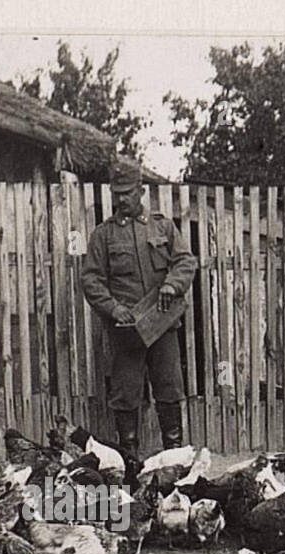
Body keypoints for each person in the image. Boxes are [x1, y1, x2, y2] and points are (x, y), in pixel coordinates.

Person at [81, 161, 198, 458]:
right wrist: (113, 308)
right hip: (127, 330)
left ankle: (174, 455)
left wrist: (172, 285)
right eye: (116, 193)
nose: (122, 199)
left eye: (128, 193)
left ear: (141, 191)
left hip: (162, 326)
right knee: (125, 394)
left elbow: (185, 261)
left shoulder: (163, 227)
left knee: (169, 389)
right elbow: (91, 279)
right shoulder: (103, 235)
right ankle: (129, 460)